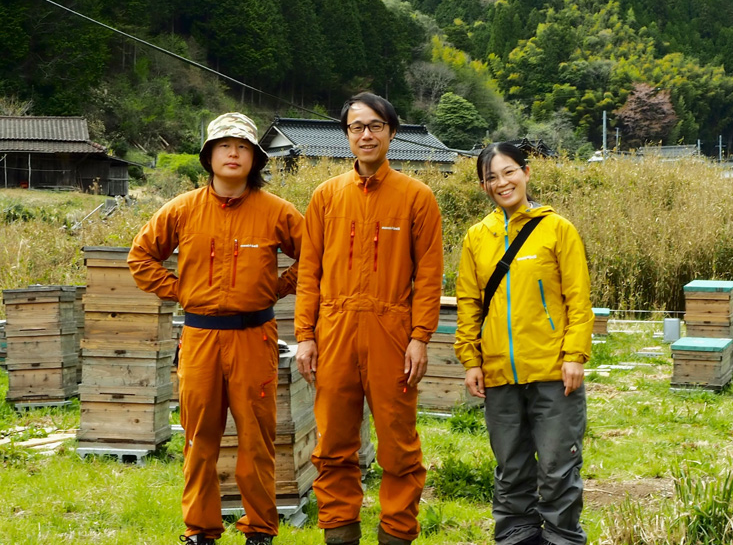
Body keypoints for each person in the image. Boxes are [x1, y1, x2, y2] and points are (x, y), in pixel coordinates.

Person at [128, 112, 304, 545]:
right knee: (199, 440)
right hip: (200, 338)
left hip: (254, 338)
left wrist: (278, 288)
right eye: (225, 146)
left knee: (257, 440)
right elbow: (141, 257)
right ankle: (200, 530)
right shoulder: (182, 209)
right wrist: (180, 291)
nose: (233, 154)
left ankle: (259, 530)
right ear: (209, 156)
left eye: (243, 147)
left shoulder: (277, 212)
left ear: (255, 158)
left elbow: (314, 258)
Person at [294, 92, 443, 545]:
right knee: (333, 443)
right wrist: (305, 335)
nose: (366, 135)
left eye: (375, 126)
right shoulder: (326, 196)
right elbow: (309, 272)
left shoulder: (417, 197)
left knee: (398, 445)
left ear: (392, 133)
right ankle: (340, 534)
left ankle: (396, 534)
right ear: (346, 135)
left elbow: (429, 275)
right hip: (334, 329)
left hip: (391, 331)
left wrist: (420, 337)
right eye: (357, 127)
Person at [454, 142, 593, 545]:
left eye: (509, 172)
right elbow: (469, 304)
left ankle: (562, 538)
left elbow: (578, 299)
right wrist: (471, 360)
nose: (502, 182)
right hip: (499, 373)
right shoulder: (477, 237)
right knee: (511, 470)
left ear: (526, 173)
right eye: (491, 177)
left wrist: (574, 355)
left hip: (554, 372)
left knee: (557, 468)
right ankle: (516, 537)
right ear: (483, 186)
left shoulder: (557, 229)